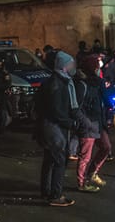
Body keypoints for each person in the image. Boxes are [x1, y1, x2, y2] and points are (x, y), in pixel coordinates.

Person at [37, 51, 80, 207]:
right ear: (63, 66)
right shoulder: (58, 84)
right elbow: (56, 110)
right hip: (54, 128)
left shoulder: (58, 82)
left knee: (49, 159)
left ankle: (46, 191)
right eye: (70, 64)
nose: (72, 67)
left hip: (50, 126)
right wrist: (70, 122)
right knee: (59, 161)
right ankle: (55, 195)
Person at [75, 55, 112, 192]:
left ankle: (92, 173)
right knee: (85, 156)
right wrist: (84, 121)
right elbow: (77, 106)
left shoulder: (98, 82)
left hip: (98, 121)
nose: (98, 68)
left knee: (106, 147)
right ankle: (81, 182)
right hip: (88, 123)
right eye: (97, 66)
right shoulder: (81, 83)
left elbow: (105, 100)